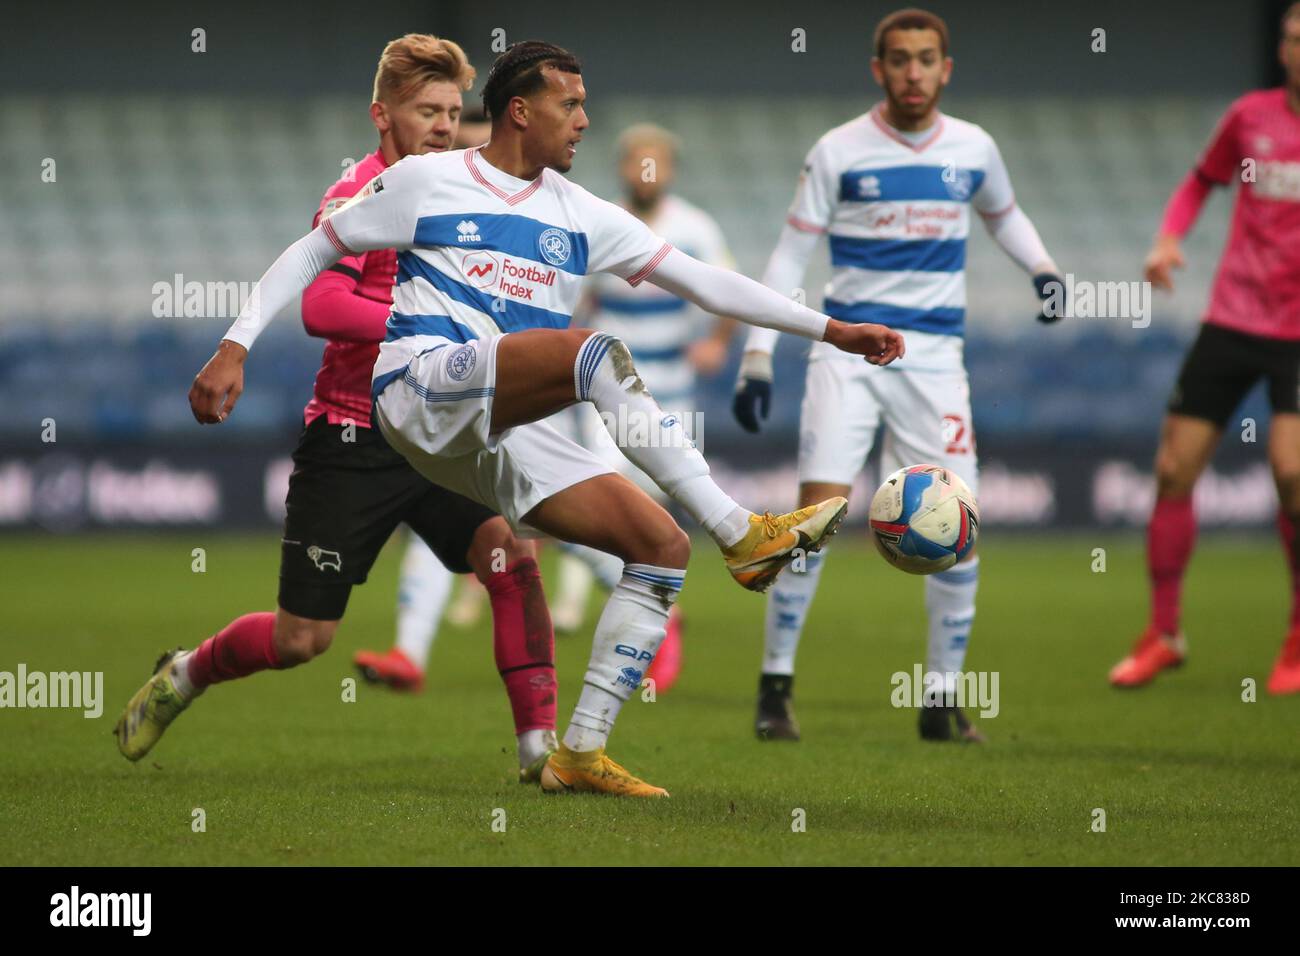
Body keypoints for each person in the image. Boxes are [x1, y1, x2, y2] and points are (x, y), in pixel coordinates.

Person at [188, 40, 905, 797]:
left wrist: (833, 330)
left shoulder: (582, 214)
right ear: (521, 111)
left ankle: (579, 753)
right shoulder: (426, 182)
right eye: (571, 104)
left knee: (659, 544)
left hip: (491, 429)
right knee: (589, 353)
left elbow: (707, 283)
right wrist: (232, 348)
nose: (585, 121)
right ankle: (740, 532)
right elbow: (312, 253)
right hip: (416, 388)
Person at [114, 35, 560, 784]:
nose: (445, 127)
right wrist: (423, 335)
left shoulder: (456, 185)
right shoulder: (361, 194)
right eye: (428, 112)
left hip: (438, 432)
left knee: (511, 558)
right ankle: (187, 674)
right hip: (353, 436)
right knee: (302, 640)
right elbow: (323, 304)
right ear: (381, 115)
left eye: (454, 112)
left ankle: (540, 755)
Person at [733, 8, 1061, 742]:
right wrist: (758, 355)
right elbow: (788, 259)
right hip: (847, 356)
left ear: (947, 68)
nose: (913, 71)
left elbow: (1002, 214)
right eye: (900, 59)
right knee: (813, 522)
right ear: (877, 70)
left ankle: (940, 703)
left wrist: (1040, 267)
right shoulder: (838, 151)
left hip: (936, 359)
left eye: (926, 59)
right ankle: (775, 690)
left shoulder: (975, 148)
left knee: (959, 526)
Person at [1109, 2, 1300, 695]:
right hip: (1232, 320)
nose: (1298, 50)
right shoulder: (1250, 117)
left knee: (1292, 476)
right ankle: (1164, 633)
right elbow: (1199, 183)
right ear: (1282, 48)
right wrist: (1168, 238)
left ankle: (1298, 635)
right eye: (1292, 39)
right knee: (1171, 469)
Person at [548, 122, 740, 693]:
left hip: (672, 394)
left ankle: (638, 620)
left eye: (654, 162)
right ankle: (645, 615)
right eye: (637, 161)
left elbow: (728, 289)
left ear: (669, 170)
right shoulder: (599, 221)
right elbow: (569, 296)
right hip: (605, 390)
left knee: (649, 521)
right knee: (588, 507)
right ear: (623, 167)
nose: (644, 171)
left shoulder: (695, 228)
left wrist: (718, 344)